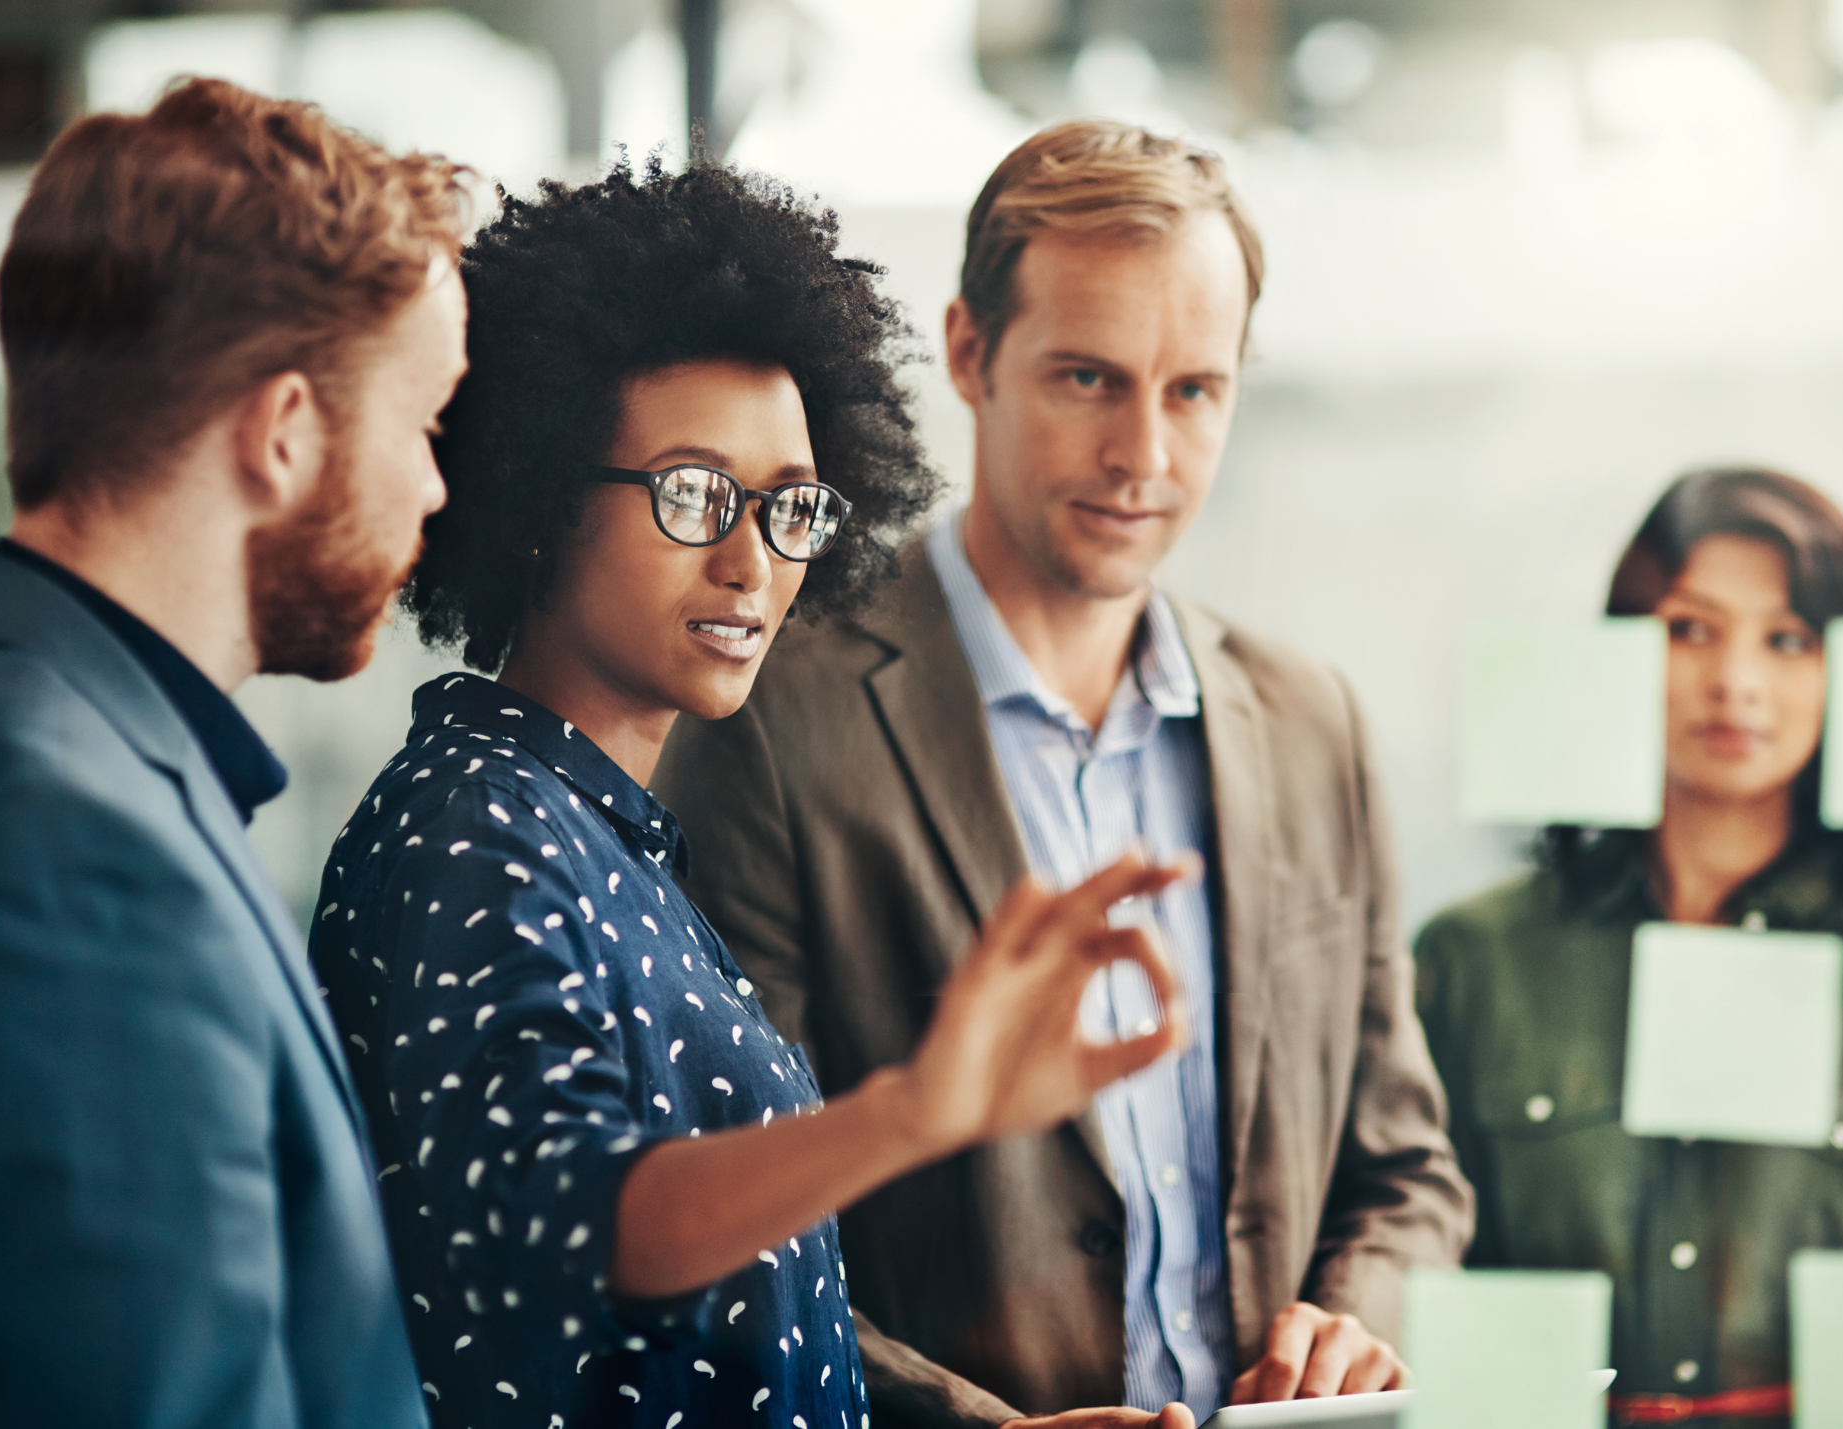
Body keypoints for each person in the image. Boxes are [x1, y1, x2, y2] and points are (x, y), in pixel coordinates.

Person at [309, 157, 1201, 1429]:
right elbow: (586, 1225)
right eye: (691, 493)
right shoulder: (477, 833)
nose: (749, 561)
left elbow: (725, 1339)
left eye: (790, 506)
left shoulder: (599, 838)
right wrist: (912, 1111)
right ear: (536, 495)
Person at [653, 120, 1475, 1425]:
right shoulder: (767, 722)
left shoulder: (1319, 730)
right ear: (971, 355)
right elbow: (728, 1227)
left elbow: (1408, 1170)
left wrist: (1357, 1327)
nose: (1144, 455)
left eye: (1194, 389)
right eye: (1091, 379)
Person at [0, 79, 466, 1426]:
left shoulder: (60, 747)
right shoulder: (75, 845)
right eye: (423, 425)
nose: (436, 486)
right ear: (285, 430)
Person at [1414, 468, 1843, 1424]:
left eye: (1788, 639)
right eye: (1688, 629)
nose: (1735, 682)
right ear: (1620, 654)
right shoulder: (1470, 963)